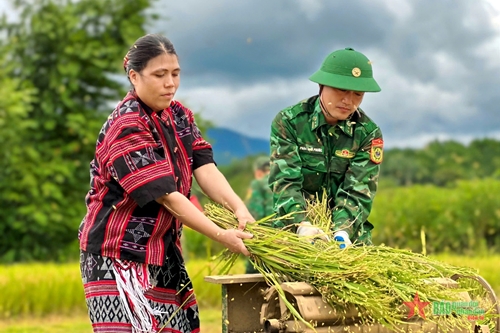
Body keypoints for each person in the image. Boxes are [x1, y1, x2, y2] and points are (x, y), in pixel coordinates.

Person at [78, 34, 254, 333]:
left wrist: (239, 208)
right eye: (159, 75)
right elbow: (168, 197)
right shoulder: (127, 125)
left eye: (175, 74)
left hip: (162, 249)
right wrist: (220, 234)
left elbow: (205, 167)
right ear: (134, 76)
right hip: (116, 256)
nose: (170, 83)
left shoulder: (179, 115)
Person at [269, 47, 383, 248]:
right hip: (295, 235)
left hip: (349, 238)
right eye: (341, 90)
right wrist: (302, 225)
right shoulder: (290, 122)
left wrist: (342, 231)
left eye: (357, 94)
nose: (348, 101)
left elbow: (358, 191)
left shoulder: (367, 133)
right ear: (322, 85)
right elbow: (285, 182)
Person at [244, 156, 273, 273]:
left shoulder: (258, 184)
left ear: (258, 172)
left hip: (267, 241)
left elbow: (254, 216)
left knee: (251, 274)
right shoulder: (285, 181)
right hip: (291, 240)